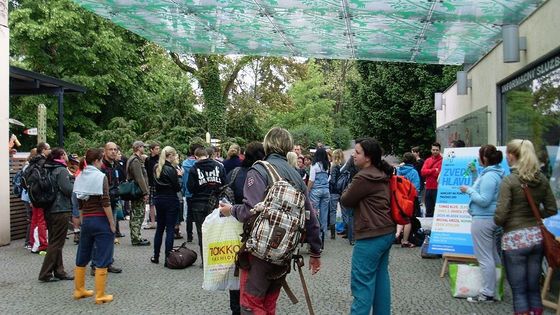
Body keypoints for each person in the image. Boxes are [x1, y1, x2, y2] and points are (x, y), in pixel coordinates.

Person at [219, 127, 321, 314]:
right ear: (288, 147)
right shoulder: (296, 175)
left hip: (260, 250)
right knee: (269, 303)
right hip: (285, 252)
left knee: (251, 304)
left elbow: (250, 211)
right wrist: (315, 251)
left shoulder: (259, 170)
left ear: (267, 145)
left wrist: (230, 209)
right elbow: (310, 216)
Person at [495, 139, 557, 315]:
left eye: (508, 153)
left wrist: (499, 221)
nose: (506, 157)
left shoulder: (510, 181)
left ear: (513, 156)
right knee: (533, 288)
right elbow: (552, 208)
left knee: (520, 291)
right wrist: (536, 214)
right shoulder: (542, 179)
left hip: (514, 240)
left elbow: (500, 216)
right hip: (536, 237)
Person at [340, 138, 395, 315]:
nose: (353, 156)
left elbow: (346, 200)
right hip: (386, 231)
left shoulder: (364, 176)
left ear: (368, 157)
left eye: (357, 153)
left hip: (370, 234)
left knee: (362, 284)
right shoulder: (380, 173)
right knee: (380, 281)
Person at [459, 145, 505, 302]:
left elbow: (484, 200)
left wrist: (468, 190)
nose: (478, 158)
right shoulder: (491, 174)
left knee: (485, 257)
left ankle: (487, 293)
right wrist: (474, 175)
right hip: (489, 218)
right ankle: (495, 288)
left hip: (483, 218)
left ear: (485, 159)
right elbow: (482, 191)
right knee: (492, 255)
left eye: (479, 156)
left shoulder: (490, 176)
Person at [225, 141, 265, 315]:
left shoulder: (235, 173)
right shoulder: (261, 175)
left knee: (236, 269)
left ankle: (236, 309)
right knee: (254, 270)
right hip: (258, 229)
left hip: (235, 226)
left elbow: (226, 195)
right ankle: (252, 305)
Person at [72, 148, 116, 304]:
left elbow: (80, 202)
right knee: (103, 255)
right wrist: (112, 223)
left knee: (83, 254)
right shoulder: (100, 176)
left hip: (87, 221)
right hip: (101, 220)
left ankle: (79, 290)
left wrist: (83, 220)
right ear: (97, 160)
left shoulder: (80, 176)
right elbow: (105, 202)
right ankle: (100, 295)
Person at [38, 148, 74, 282]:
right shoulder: (62, 170)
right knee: (56, 243)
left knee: (55, 240)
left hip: (49, 209)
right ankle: (45, 273)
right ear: (61, 156)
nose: (67, 156)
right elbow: (68, 190)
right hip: (60, 209)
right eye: (65, 154)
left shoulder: (48, 168)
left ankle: (59, 271)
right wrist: (72, 181)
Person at [186, 147, 227, 261]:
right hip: (215, 203)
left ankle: (205, 260)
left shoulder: (194, 168)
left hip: (198, 203)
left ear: (196, 157)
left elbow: (190, 187)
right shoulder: (219, 166)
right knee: (217, 231)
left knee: (201, 232)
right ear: (207, 155)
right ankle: (216, 258)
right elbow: (225, 183)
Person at [151, 146, 182, 266]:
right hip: (170, 199)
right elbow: (177, 188)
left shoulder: (156, 168)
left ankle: (155, 256)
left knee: (159, 229)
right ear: (171, 156)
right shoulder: (171, 169)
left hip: (159, 199)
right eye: (174, 155)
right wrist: (179, 176)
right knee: (169, 229)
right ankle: (168, 258)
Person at [27, 142, 50, 253]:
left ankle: (32, 243)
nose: (50, 151)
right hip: (41, 195)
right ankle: (42, 244)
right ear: (43, 150)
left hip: (33, 194)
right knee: (41, 220)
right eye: (48, 148)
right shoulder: (43, 162)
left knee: (34, 220)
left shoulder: (32, 162)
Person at [128, 141, 151, 246]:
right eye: (143, 147)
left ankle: (136, 236)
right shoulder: (135, 161)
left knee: (136, 213)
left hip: (136, 191)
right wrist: (145, 192)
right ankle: (136, 238)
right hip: (138, 191)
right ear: (138, 147)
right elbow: (139, 178)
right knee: (138, 214)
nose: (144, 149)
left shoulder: (134, 159)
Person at [307, 147, 331, 248]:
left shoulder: (314, 165)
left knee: (314, 214)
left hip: (316, 191)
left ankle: (316, 237)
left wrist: (307, 190)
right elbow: (329, 178)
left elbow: (311, 180)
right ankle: (323, 237)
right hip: (326, 191)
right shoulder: (327, 165)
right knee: (324, 215)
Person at [396, 152, 421, 248]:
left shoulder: (399, 170)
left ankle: (397, 234)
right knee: (408, 220)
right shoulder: (413, 172)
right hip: (410, 199)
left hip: (399, 198)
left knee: (400, 217)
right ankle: (405, 241)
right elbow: (416, 187)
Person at [182, 143, 203, 243]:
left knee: (189, 215)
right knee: (201, 215)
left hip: (188, 192)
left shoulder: (184, 163)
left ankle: (189, 235)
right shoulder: (199, 164)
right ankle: (201, 235)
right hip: (198, 192)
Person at [421, 142, 442, 217]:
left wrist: (428, 171)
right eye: (433, 150)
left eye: (437, 150)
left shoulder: (442, 161)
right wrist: (433, 170)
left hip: (437, 188)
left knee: (437, 210)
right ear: (431, 150)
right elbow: (423, 172)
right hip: (428, 187)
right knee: (428, 210)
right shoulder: (427, 160)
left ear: (439, 150)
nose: (435, 151)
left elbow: (438, 174)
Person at [328, 149, 345, 240]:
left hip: (334, 191)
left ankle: (333, 234)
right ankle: (348, 231)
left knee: (333, 211)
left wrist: (330, 182)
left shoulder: (334, 166)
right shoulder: (344, 166)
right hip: (343, 191)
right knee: (344, 210)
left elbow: (333, 180)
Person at [144, 142, 161, 229]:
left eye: (158, 149)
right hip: (151, 183)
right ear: (151, 150)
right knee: (151, 203)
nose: (158, 150)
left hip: (159, 183)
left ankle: (160, 221)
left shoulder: (160, 159)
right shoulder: (148, 160)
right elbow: (146, 172)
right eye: (156, 149)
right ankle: (152, 222)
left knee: (160, 203)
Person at [411, 146, 425, 215]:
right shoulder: (414, 162)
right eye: (412, 152)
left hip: (420, 181)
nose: (412, 153)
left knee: (418, 198)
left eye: (414, 152)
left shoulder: (420, 161)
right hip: (415, 181)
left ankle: (419, 212)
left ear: (418, 153)